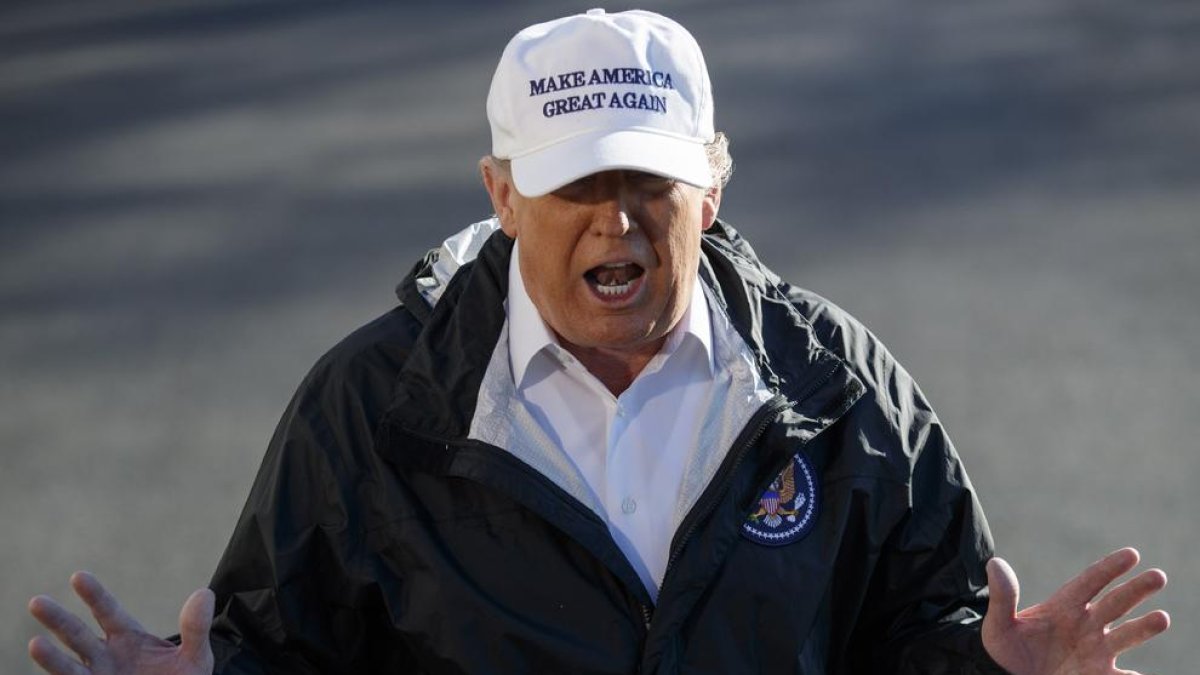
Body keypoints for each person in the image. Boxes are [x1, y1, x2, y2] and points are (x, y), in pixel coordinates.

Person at [28, 9, 1169, 674]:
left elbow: (925, 631)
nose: (613, 220)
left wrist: (988, 673)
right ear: (503, 191)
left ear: (712, 184)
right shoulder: (373, 409)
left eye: (646, 181)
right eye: (573, 185)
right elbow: (284, 649)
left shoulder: (840, 393)